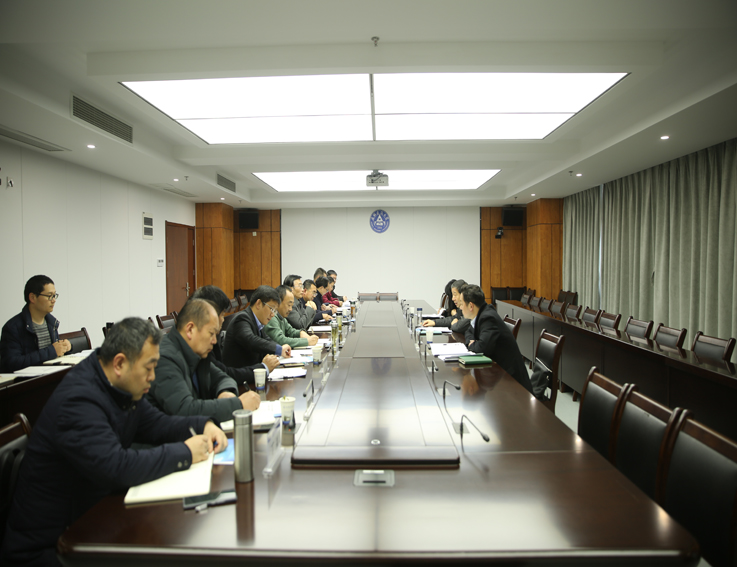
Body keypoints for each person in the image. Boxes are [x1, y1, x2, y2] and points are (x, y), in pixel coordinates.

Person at [1, 317, 226, 567]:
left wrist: (204, 424)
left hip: (92, 521)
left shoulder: (118, 385)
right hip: (50, 548)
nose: (152, 377)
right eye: (148, 368)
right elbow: (117, 467)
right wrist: (185, 452)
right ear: (119, 363)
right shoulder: (79, 400)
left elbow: (157, 424)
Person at [147, 298, 261, 423]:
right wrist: (238, 405)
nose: (214, 341)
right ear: (190, 329)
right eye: (211, 333)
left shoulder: (195, 351)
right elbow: (185, 410)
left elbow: (222, 377)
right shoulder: (164, 358)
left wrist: (225, 392)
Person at [190, 285, 279, 385]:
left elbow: (219, 376)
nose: (223, 320)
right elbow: (226, 374)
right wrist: (263, 368)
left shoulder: (207, 343)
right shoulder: (242, 318)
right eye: (222, 315)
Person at [457, 284, 533, 393]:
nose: (460, 307)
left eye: (461, 303)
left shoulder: (487, 317)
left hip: (513, 383)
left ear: (471, 306)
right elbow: (469, 331)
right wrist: (472, 342)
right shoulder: (482, 314)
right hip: (499, 375)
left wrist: (472, 344)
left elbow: (482, 347)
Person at [0, 275, 71, 372]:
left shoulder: (52, 323)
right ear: (32, 297)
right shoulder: (13, 327)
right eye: (49, 296)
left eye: (54, 295)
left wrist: (66, 348)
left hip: (51, 375)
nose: (54, 300)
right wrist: (52, 351)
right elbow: (11, 363)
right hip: (29, 380)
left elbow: (55, 355)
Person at [222, 285, 292, 369]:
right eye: (271, 309)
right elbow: (251, 340)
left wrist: (281, 349)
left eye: (275, 311)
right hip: (239, 374)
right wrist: (278, 349)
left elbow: (267, 339)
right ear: (258, 304)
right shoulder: (242, 319)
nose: (273, 314)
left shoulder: (258, 322)